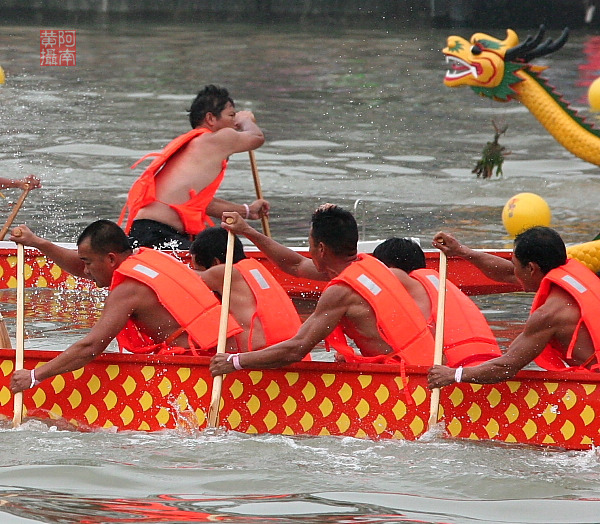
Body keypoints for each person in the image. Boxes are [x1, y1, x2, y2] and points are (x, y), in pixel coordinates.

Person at [10, 220, 243, 394]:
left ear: (111, 259)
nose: (86, 272)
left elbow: (91, 347)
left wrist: (33, 376)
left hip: (205, 371)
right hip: (226, 357)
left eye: (88, 262)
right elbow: (83, 269)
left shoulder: (128, 289)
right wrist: (37, 242)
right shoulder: (147, 257)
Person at [209, 204, 435, 377]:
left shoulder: (342, 291)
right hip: (425, 368)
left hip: (407, 380)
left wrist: (235, 361)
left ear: (321, 248)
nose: (308, 248)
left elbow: (296, 349)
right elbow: (294, 265)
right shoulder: (369, 267)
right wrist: (246, 230)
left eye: (309, 242)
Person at [427, 226, 600, 389]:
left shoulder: (549, 314)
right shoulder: (573, 275)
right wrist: (461, 251)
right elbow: (507, 272)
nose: (513, 271)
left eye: (515, 265)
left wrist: (453, 375)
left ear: (531, 268)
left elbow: (506, 367)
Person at [118, 84, 269, 250]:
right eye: (231, 115)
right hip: (157, 234)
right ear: (211, 118)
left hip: (146, 232)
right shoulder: (218, 138)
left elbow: (199, 203)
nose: (234, 123)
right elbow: (257, 137)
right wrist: (245, 119)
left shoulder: (196, 147)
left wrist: (247, 211)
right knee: (221, 258)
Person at [373, 237, 501, 367]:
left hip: (450, 374)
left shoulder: (401, 279)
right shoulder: (435, 285)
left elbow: (379, 275)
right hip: (485, 368)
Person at [189, 226, 306, 354]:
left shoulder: (225, 272)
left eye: (198, 268)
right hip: (291, 354)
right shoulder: (253, 268)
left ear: (215, 262)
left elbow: (183, 277)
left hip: (265, 362)